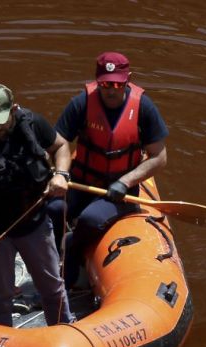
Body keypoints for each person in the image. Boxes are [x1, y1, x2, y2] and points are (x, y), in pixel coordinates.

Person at [0, 84, 75, 327]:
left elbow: (61, 146)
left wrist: (61, 174)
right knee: (1, 296)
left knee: (52, 287)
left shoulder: (34, 123)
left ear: (13, 109)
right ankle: (1, 339)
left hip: (34, 223)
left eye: (1, 121)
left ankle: (64, 328)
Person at [47, 51, 169, 288]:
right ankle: (52, 258)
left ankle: (71, 250)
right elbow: (58, 142)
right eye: (105, 84)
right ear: (97, 81)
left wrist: (125, 181)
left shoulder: (143, 107)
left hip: (120, 191)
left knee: (90, 219)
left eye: (116, 84)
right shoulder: (82, 103)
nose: (110, 90)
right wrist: (58, 174)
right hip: (81, 182)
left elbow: (159, 158)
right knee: (53, 208)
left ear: (128, 80)